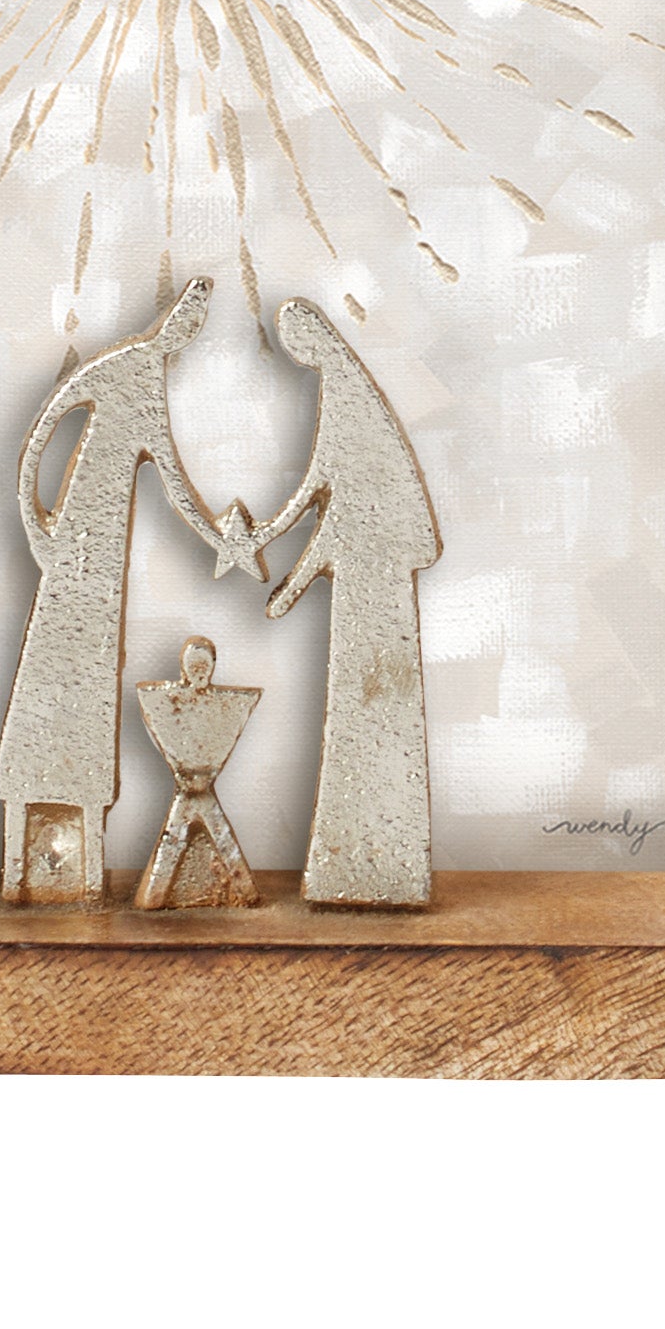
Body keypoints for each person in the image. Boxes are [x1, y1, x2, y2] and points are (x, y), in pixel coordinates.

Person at [0, 278, 254, 901]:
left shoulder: (151, 386)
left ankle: (77, 841)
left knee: (90, 663)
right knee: (54, 655)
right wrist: (37, 526)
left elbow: (170, 476)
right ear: (172, 318)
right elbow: (44, 431)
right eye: (187, 315)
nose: (187, 328)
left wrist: (218, 537)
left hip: (106, 547)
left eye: (196, 321)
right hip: (77, 536)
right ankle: (33, 831)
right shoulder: (125, 366)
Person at [261, 296, 442, 908]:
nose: (294, 351)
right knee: (360, 708)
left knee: (373, 703)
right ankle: (359, 865)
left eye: (295, 339)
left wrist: (282, 557)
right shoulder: (343, 393)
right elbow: (327, 493)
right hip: (367, 571)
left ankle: (378, 867)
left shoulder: (347, 396)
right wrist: (278, 549)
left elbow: (328, 493)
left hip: (373, 573)